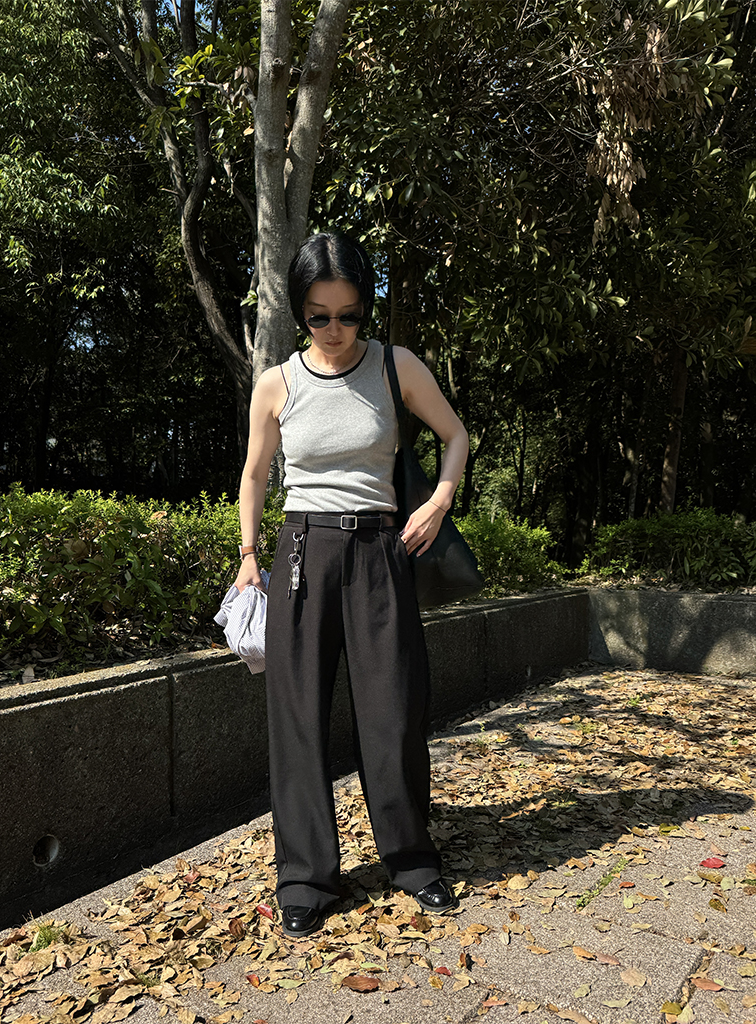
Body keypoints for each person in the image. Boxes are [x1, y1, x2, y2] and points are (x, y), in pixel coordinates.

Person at [232, 232, 470, 938]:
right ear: (298, 312)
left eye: (349, 315)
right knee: (298, 718)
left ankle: (412, 859)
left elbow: (456, 436)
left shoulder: (397, 367)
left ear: (366, 308)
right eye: (318, 317)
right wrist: (248, 554)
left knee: (393, 711)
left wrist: (439, 502)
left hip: (379, 552)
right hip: (301, 552)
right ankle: (305, 877)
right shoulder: (277, 383)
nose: (335, 330)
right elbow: (254, 474)